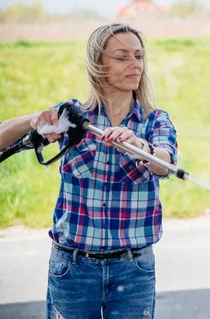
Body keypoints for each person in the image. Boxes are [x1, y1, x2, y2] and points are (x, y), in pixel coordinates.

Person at [0, 23, 178, 318]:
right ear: (98, 63)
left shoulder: (155, 121)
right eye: (122, 57)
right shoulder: (72, 116)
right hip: (72, 268)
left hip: (134, 268)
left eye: (139, 56)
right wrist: (36, 118)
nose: (135, 65)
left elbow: (165, 163)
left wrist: (140, 147)